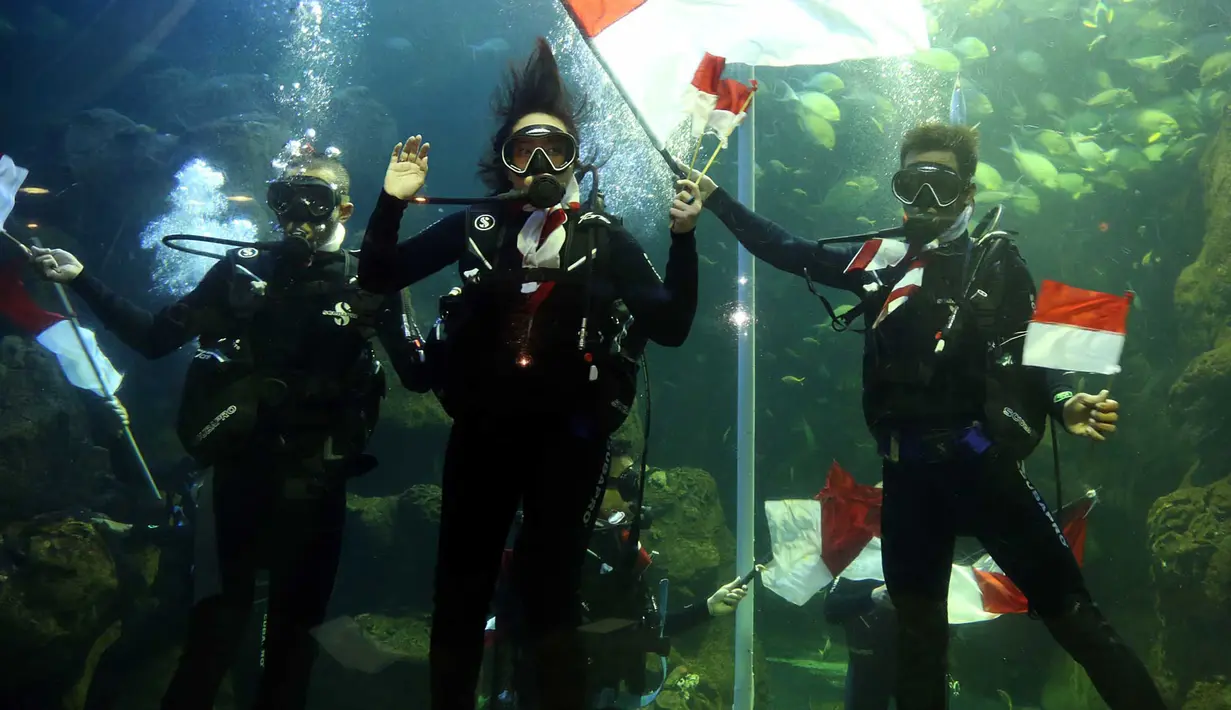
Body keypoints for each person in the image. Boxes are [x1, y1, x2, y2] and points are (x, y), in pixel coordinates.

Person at [682, 122, 1165, 710]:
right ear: (899, 189)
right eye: (913, 185)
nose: (925, 201)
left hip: (984, 470)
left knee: (1075, 619)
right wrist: (717, 199)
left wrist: (1067, 404)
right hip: (908, 483)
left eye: (941, 186)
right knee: (917, 648)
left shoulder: (995, 259)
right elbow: (791, 251)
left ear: (967, 193)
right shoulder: (881, 262)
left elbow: (1039, 352)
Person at [358, 37, 701, 710]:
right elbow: (379, 275)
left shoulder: (603, 235)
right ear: (504, 163)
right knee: (459, 586)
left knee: (550, 590)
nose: (539, 163)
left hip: (569, 439)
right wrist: (392, 201)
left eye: (555, 149)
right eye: (523, 151)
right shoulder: (477, 225)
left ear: (577, 158)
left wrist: (683, 240)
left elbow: (670, 324)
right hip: (482, 430)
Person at [30, 151, 421, 710]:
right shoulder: (242, 272)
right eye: (283, 201)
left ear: (345, 207)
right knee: (211, 637)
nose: (297, 215)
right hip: (236, 480)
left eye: (314, 198)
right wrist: (83, 280)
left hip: (318, 486)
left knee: (294, 643)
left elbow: (418, 372)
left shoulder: (373, 277)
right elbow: (154, 338)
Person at [489, 439, 748, 710]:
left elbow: (644, 624)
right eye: (624, 481)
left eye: (632, 479)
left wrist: (706, 608)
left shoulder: (617, 544)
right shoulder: (548, 546)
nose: (632, 492)